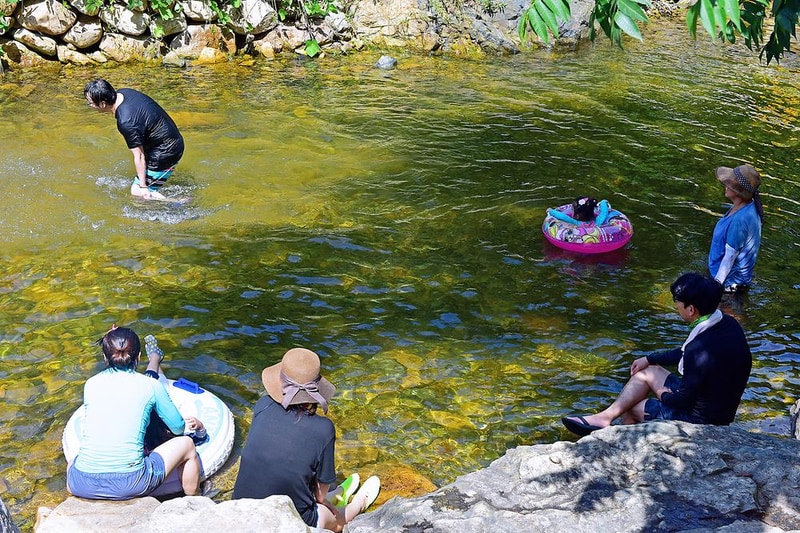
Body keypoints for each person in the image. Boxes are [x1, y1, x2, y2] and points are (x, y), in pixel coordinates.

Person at [562, 273, 752, 436]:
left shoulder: (697, 349)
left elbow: (684, 400)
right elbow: (685, 354)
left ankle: (622, 448)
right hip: (721, 408)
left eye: (678, 303)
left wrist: (662, 394)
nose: (676, 307)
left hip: (701, 420)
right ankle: (604, 418)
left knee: (633, 408)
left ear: (691, 309)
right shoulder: (727, 324)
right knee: (648, 370)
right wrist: (649, 359)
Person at [232, 348, 380, 532]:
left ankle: (337, 494)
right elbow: (319, 495)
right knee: (329, 516)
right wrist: (324, 501)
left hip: (238, 508)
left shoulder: (263, 405)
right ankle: (357, 505)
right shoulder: (324, 429)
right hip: (281, 519)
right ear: (314, 394)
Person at [67, 326, 203, 499]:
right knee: (187, 445)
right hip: (131, 483)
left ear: (104, 357)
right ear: (138, 357)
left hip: (79, 483)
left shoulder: (90, 384)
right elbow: (178, 428)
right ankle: (196, 500)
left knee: (74, 460)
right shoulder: (151, 386)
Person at [84, 79, 184, 201]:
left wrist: (143, 186)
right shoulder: (124, 93)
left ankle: (179, 202)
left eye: (91, 103)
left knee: (137, 192)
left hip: (167, 151)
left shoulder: (126, 122)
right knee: (143, 176)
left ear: (103, 104)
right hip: (169, 138)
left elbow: (139, 156)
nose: (91, 106)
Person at [708, 164, 763, 294]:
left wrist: (715, 289)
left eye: (730, 184)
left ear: (739, 192)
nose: (726, 185)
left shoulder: (740, 220)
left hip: (728, 286)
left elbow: (729, 258)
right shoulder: (747, 207)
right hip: (731, 281)